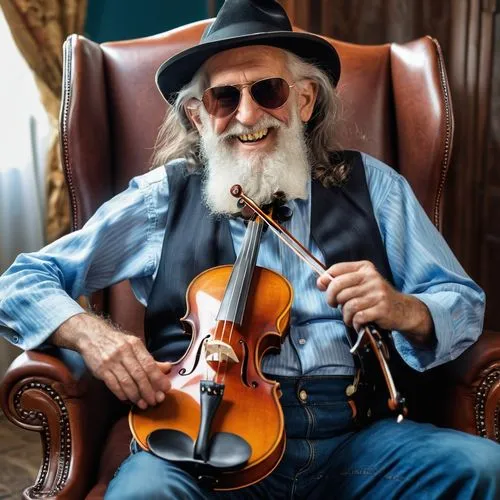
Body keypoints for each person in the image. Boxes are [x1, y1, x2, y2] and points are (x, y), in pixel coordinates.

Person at [1, 0, 499, 498]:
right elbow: (19, 283)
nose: (247, 115)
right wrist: (94, 336)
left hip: (354, 440)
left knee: (484, 467)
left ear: (303, 101)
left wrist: (404, 308)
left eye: (268, 91)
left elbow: (462, 302)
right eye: (223, 98)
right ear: (198, 116)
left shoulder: (375, 187)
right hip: (204, 441)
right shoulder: (162, 197)